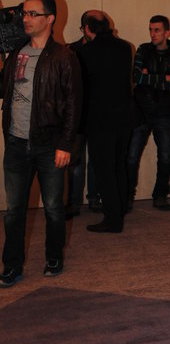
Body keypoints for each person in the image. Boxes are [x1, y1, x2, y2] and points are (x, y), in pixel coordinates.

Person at [0, 0, 82, 286]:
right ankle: (11, 265)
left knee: (53, 207)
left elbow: (73, 104)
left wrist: (65, 145)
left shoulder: (63, 57)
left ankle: (54, 256)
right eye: (24, 13)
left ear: (50, 19)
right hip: (16, 143)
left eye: (33, 13)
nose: (26, 18)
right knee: (14, 211)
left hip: (49, 145)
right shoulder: (15, 53)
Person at [77, 12, 133, 233]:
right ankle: (120, 209)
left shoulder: (85, 52)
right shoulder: (125, 47)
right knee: (119, 165)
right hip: (124, 117)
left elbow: (83, 87)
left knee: (103, 169)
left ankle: (112, 218)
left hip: (100, 119)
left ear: (87, 29)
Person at [126, 15, 170, 211]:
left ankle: (160, 196)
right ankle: (127, 196)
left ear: (167, 32)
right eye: (150, 29)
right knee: (132, 156)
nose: (152, 34)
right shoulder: (143, 50)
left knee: (165, 157)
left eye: (157, 30)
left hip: (165, 113)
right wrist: (163, 78)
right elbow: (136, 78)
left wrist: (149, 76)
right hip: (141, 111)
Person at [65, 11, 101, 218]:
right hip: (77, 114)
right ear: (84, 28)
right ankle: (74, 202)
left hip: (96, 114)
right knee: (75, 161)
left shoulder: (103, 51)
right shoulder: (71, 50)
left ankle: (94, 199)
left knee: (95, 160)